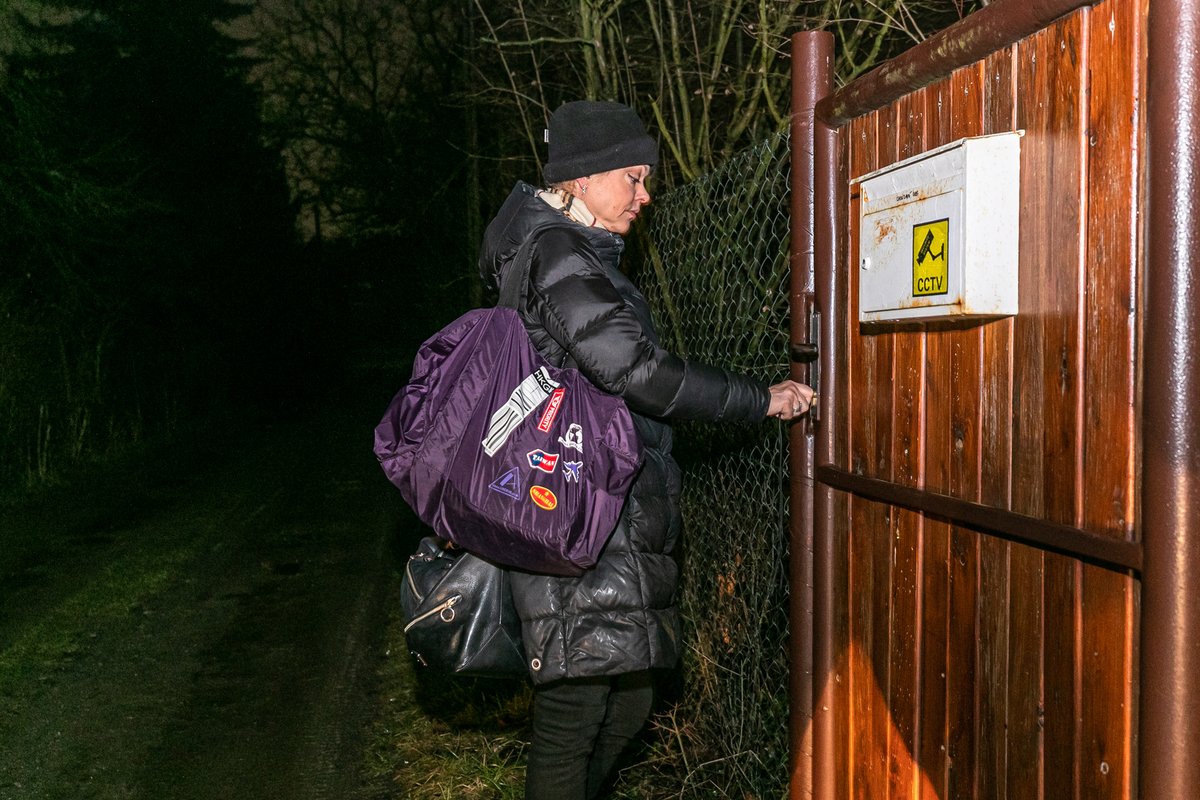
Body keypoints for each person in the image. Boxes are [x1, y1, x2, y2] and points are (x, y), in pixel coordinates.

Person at [477, 100, 813, 800]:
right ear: (581, 178)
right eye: (631, 176)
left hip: (591, 507)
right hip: (578, 509)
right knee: (575, 712)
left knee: (622, 700)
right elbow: (633, 371)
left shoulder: (559, 250)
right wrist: (760, 399)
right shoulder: (559, 252)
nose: (644, 193)